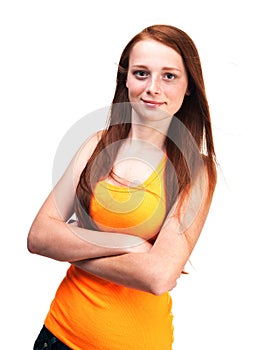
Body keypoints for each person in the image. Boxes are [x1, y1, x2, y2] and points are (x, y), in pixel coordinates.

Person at [28, 24, 217, 350]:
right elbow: (39, 236)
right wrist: (129, 244)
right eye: (141, 73)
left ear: (189, 86)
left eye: (169, 76)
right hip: (60, 335)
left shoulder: (197, 169)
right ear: (125, 79)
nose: (153, 88)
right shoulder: (96, 144)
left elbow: (157, 276)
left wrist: (69, 246)